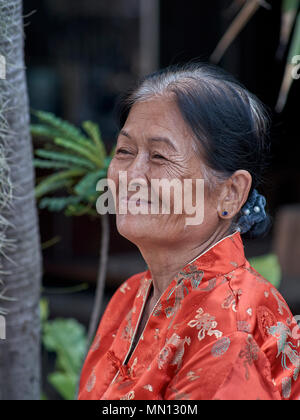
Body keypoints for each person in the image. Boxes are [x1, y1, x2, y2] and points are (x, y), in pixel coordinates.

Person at [78, 62, 300, 400]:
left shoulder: (232, 320)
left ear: (231, 193)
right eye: (124, 151)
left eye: (159, 157)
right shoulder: (131, 293)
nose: (130, 176)